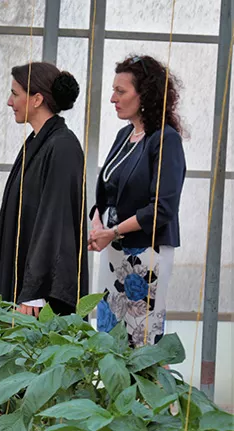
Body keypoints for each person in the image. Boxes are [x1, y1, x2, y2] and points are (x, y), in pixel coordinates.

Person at [89, 55, 186, 347]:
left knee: (141, 342)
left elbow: (162, 208)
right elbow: (106, 191)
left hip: (146, 254)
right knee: (110, 338)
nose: (112, 99)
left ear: (144, 94)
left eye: (121, 91)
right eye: (113, 90)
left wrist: (113, 231)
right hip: (114, 252)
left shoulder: (165, 140)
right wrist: (97, 222)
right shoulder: (125, 135)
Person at [0, 62, 88, 317]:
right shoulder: (37, 143)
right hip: (28, 288)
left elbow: (57, 222)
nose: (10, 102)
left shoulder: (62, 146)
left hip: (39, 299)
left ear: (37, 99)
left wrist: (35, 290)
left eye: (15, 93)